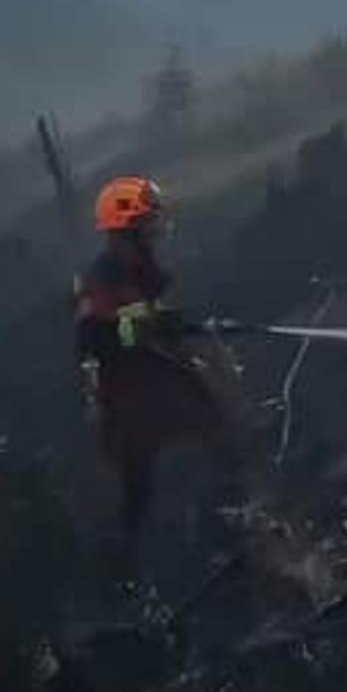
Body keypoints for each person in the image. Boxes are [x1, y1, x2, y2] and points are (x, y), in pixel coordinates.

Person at [72, 175, 243, 565]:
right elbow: (99, 336)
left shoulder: (138, 270)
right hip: (126, 395)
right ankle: (121, 564)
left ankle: (244, 510)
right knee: (140, 486)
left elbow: (146, 316)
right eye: (146, 229)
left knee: (214, 423)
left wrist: (180, 325)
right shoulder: (98, 282)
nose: (154, 236)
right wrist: (149, 323)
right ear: (124, 234)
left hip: (149, 378)